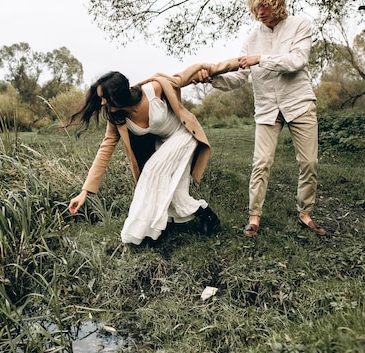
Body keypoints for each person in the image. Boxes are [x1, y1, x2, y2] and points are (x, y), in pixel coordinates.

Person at [195, 0, 326, 237]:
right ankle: (254, 217)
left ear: (277, 3)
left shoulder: (301, 25)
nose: (260, 13)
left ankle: (305, 213)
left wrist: (261, 59)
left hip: (299, 104)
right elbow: (239, 78)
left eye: (264, 6)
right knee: (261, 163)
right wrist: (212, 79)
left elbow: (297, 61)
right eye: (256, 8)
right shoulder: (251, 40)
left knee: (308, 162)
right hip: (267, 109)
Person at [67, 60, 238, 245]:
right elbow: (105, 148)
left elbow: (192, 72)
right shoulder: (116, 116)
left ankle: (145, 232)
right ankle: (207, 215)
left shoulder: (155, 88)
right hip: (163, 143)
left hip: (183, 136)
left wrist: (238, 64)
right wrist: (85, 191)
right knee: (175, 192)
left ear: (119, 95)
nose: (102, 103)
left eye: (105, 98)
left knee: (151, 172)